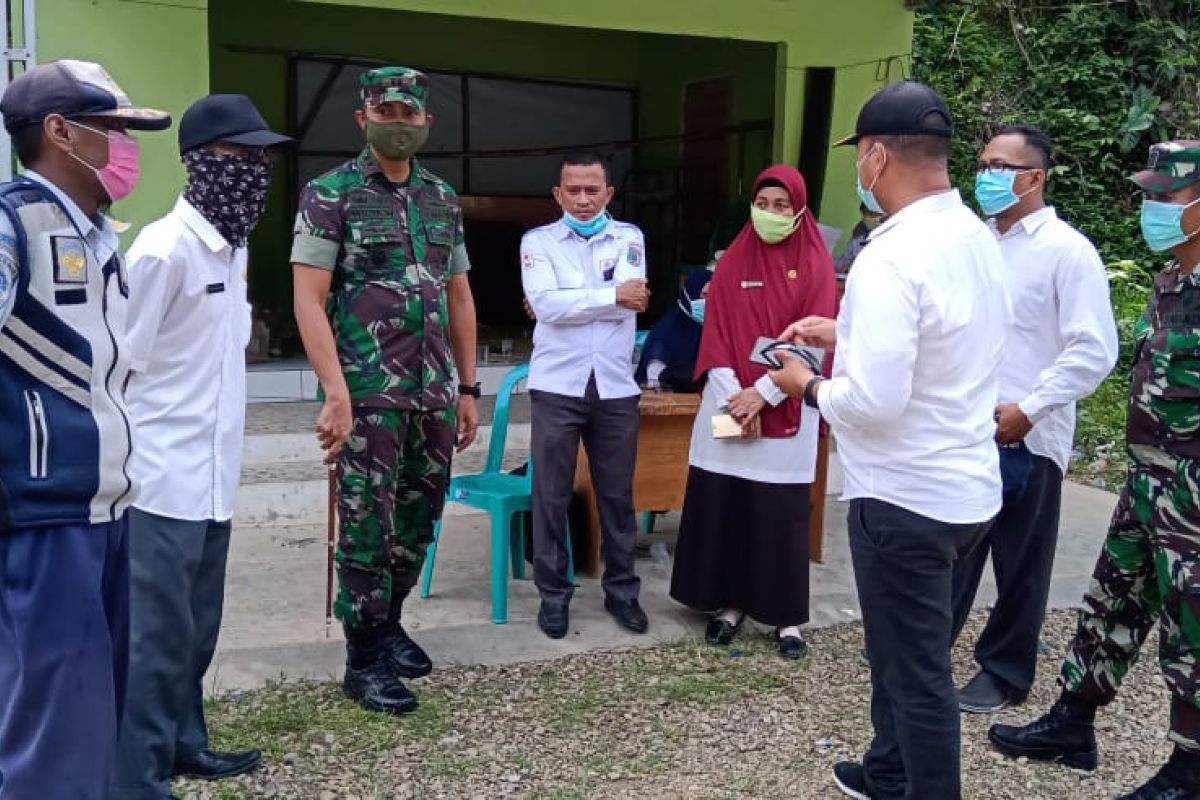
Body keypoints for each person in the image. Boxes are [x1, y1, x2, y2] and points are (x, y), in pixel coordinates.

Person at [769, 80, 1009, 799]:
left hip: (904, 498)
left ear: (875, 157)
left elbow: (871, 404)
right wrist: (844, 332)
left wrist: (803, 387)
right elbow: (948, 337)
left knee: (916, 674)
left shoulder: (889, 254)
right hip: (966, 491)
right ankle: (888, 774)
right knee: (908, 652)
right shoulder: (975, 235)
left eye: (859, 159)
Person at [989, 140, 1200, 800]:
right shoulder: (1171, 281)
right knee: (1112, 601)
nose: (1151, 208)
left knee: (1190, 626)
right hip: (1146, 478)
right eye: (1149, 194)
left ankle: (1190, 769)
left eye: (1165, 197)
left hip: (1194, 491)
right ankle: (1072, 723)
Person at [0, 60, 170, 798]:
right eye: (114, 131)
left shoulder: (97, 235)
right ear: (60, 133)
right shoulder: (13, 223)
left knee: (92, 714)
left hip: (103, 512)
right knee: (52, 732)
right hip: (42, 517)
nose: (126, 148)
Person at [113, 95, 291, 799]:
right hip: (157, 481)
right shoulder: (161, 250)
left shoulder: (233, 247)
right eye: (240, 159)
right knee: (154, 646)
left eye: (262, 161)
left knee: (197, 633)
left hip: (213, 477)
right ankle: (139, 779)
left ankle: (187, 743)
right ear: (198, 164)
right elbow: (118, 368)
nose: (255, 172)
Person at [291, 66, 479, 715]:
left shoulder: (442, 199)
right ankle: (363, 658)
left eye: (408, 113)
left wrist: (468, 386)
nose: (397, 123)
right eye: (386, 111)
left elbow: (459, 296)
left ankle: (389, 620)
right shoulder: (330, 193)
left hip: (431, 396)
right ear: (363, 118)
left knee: (418, 523)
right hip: (368, 398)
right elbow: (308, 300)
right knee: (367, 529)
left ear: (425, 121)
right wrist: (335, 391)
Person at [949, 124, 1118, 715]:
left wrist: (1031, 408)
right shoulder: (978, 244)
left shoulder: (1066, 252)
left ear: (1034, 176)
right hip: (967, 426)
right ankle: (927, 647)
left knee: (1020, 561)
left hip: (1026, 433)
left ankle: (1004, 671)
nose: (986, 175)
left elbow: (1094, 349)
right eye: (983, 163)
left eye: (1000, 165)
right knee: (953, 545)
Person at [668, 165, 837, 659]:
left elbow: (813, 342)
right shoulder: (734, 259)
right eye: (762, 204)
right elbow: (715, 333)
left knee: (779, 514)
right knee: (731, 505)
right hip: (728, 401)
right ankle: (730, 604)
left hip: (786, 402)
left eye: (781, 206)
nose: (770, 214)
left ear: (800, 209)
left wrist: (763, 393)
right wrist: (734, 395)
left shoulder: (816, 266)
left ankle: (786, 618)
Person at [521, 150, 650, 639]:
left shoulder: (629, 237)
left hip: (615, 385)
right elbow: (545, 305)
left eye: (591, 189)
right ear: (558, 194)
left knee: (618, 495)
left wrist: (588, 301)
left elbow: (630, 300)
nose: (581, 199)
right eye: (572, 190)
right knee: (550, 495)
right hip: (558, 385)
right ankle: (553, 597)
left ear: (608, 193)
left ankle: (623, 593)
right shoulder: (538, 242)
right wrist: (610, 296)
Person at [634, 267, 712, 391]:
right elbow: (655, 377)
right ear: (691, 293)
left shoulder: (706, 328)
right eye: (705, 295)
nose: (708, 301)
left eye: (715, 296)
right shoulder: (667, 332)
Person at [833, 202, 884, 276]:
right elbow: (847, 257)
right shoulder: (861, 228)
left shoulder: (892, 234)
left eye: (871, 214)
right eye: (864, 213)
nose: (866, 217)